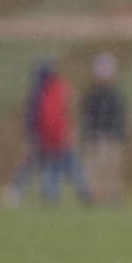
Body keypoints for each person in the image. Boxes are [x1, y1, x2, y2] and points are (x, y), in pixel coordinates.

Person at [36, 64, 92, 205]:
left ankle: (52, 194)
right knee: (68, 166)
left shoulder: (46, 92)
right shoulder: (60, 90)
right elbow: (69, 111)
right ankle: (81, 190)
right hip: (60, 137)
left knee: (56, 166)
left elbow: (45, 118)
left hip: (55, 137)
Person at [4, 62, 54, 207]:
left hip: (40, 136)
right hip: (38, 136)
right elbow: (33, 118)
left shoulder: (38, 92)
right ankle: (17, 191)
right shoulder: (39, 93)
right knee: (31, 165)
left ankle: (31, 193)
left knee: (36, 165)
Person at [81, 53, 127, 205]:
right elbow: (87, 116)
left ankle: (111, 195)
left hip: (111, 136)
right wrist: (88, 134)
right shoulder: (93, 94)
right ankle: (94, 196)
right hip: (96, 136)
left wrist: (120, 133)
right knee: (95, 166)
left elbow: (120, 116)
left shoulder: (115, 94)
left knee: (111, 167)